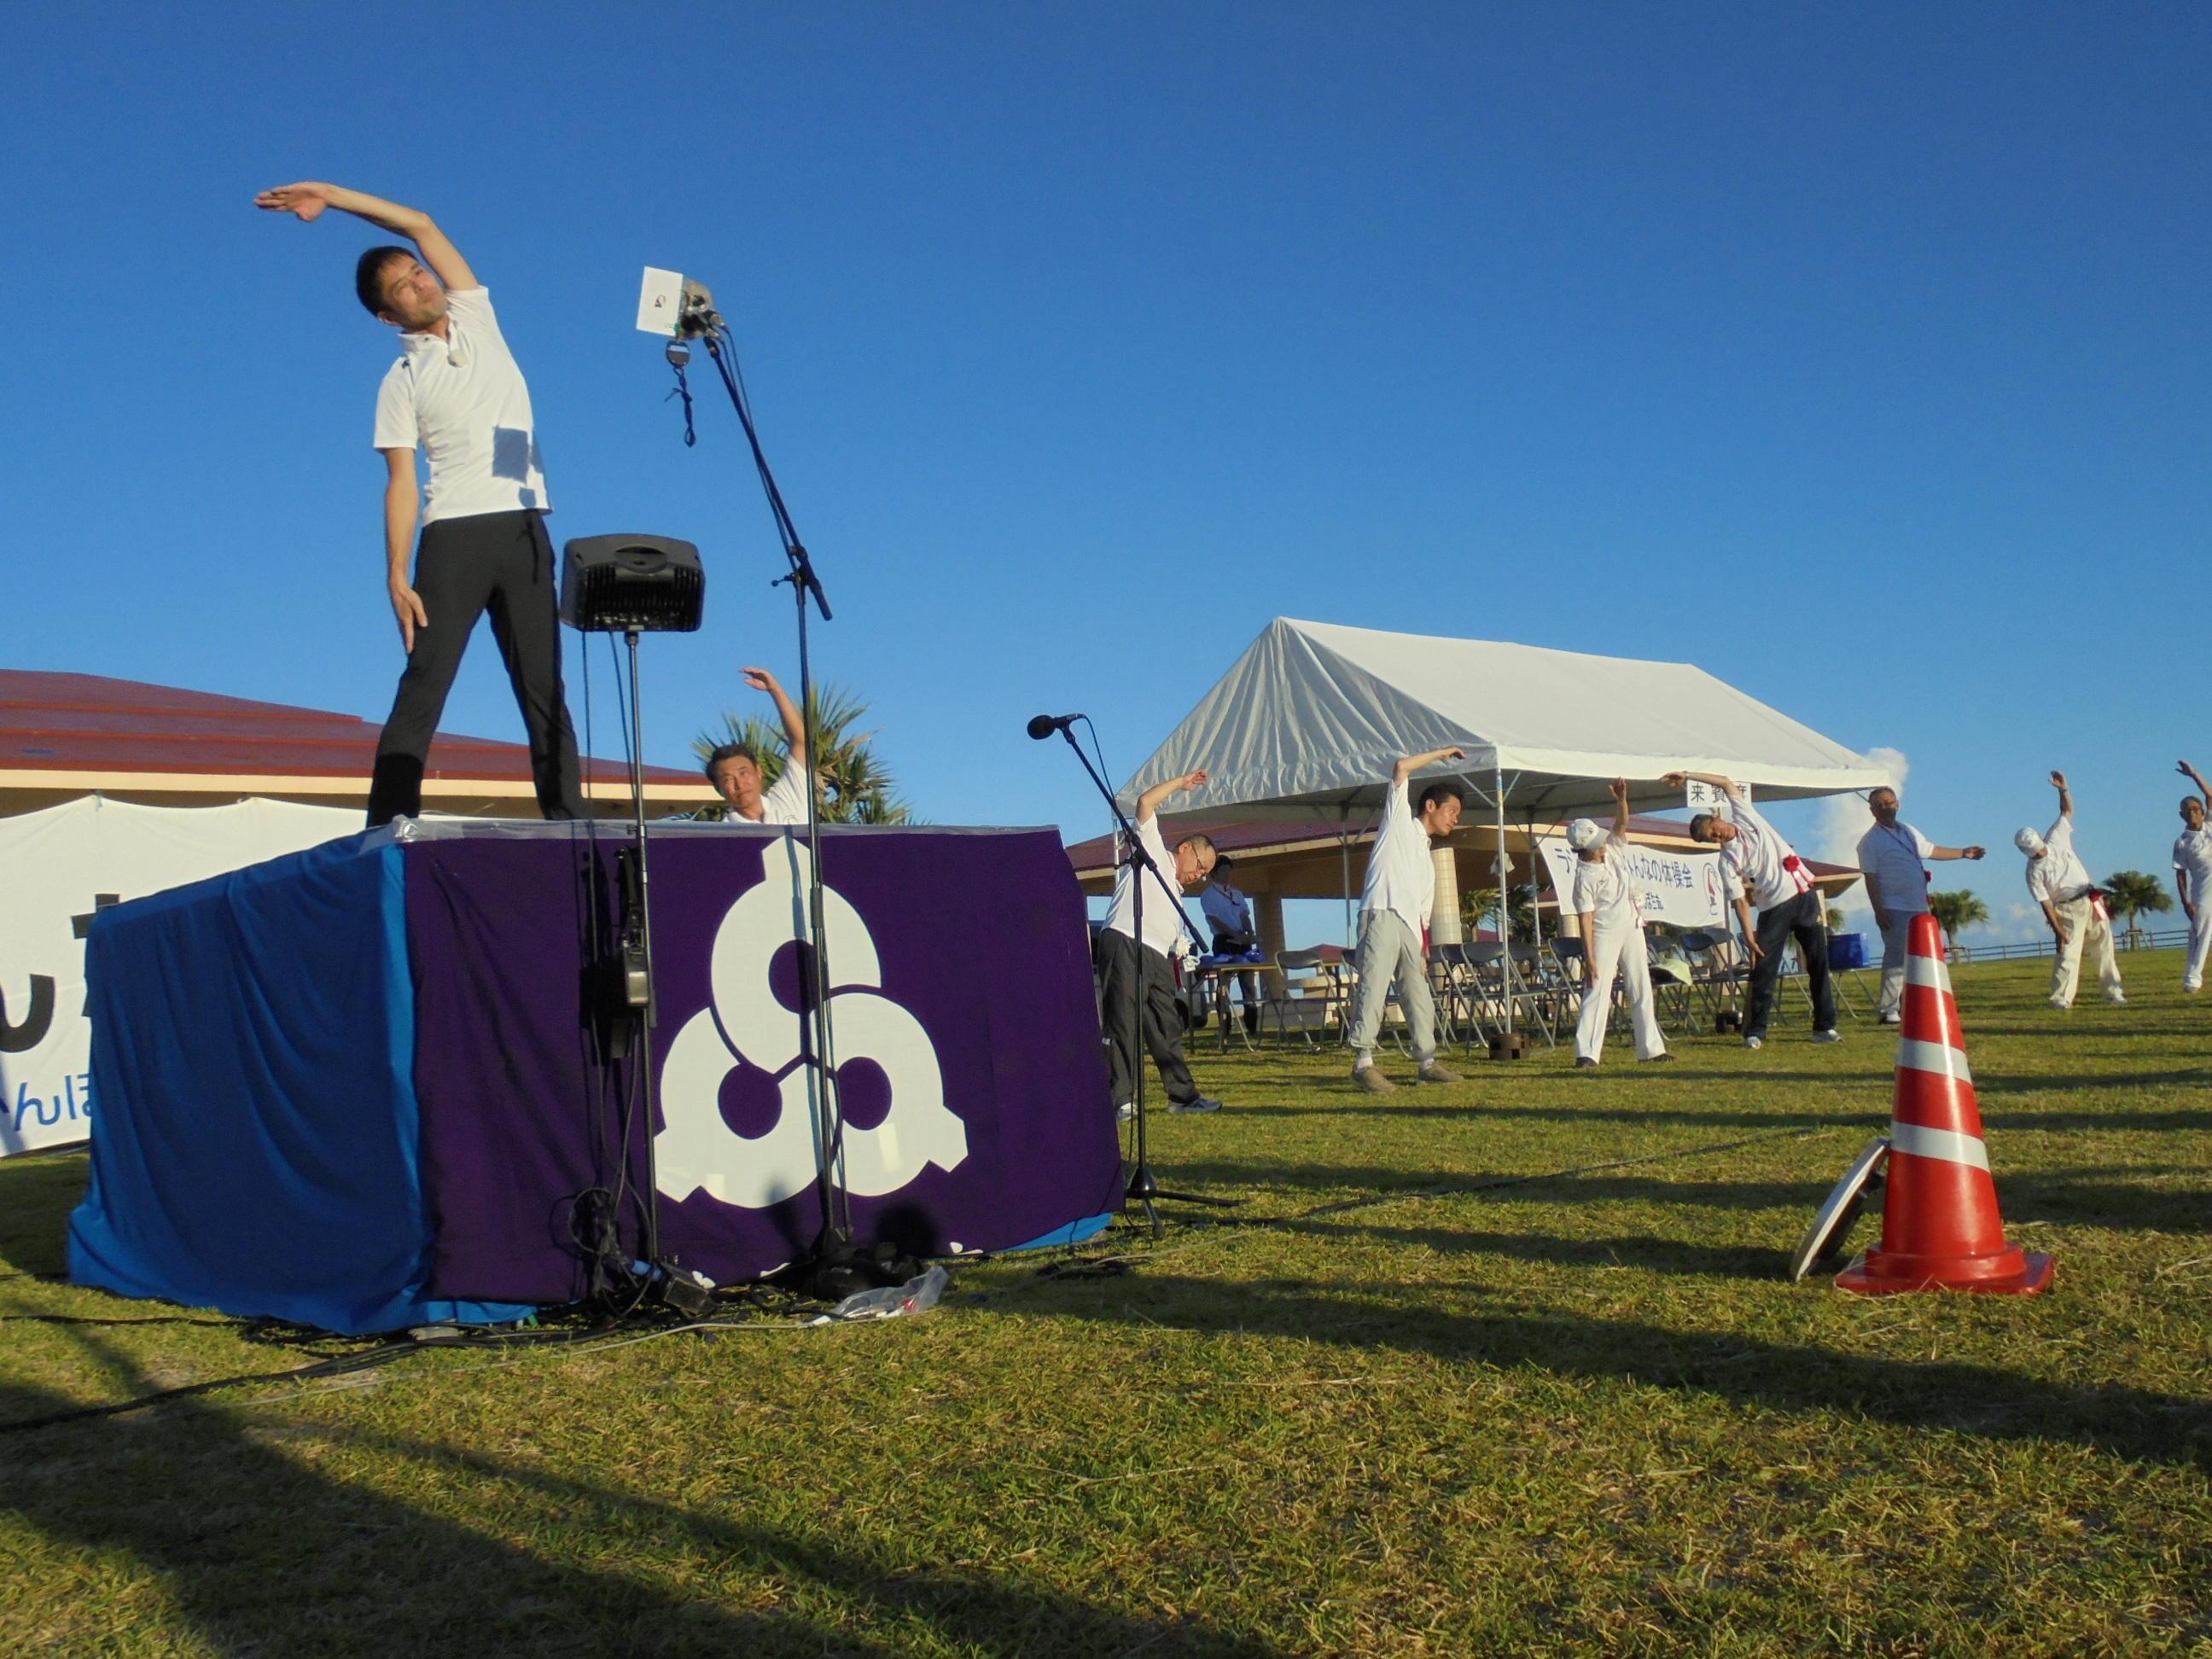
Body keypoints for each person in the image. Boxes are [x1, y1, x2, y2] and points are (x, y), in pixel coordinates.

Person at [259, 181, 585, 829]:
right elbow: (402, 483)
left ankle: (569, 827)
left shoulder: (478, 320)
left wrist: (328, 194)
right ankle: (386, 829)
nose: (421, 281)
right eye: (404, 286)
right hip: (453, 539)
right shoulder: (401, 380)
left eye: (417, 272)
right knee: (424, 685)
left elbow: (422, 223)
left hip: (523, 529)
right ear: (387, 316)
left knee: (545, 692)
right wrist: (396, 573)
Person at [1665, 771, 1839, 1050]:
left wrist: (1686, 776)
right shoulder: (1727, 862)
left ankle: (1825, 1026)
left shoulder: (1746, 816)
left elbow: (1724, 782)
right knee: (1764, 971)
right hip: (1774, 907)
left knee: (1819, 962)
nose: (1718, 835)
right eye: (1712, 838)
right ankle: (1755, 1030)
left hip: (1804, 894)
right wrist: (1748, 934)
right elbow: (1740, 901)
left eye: (1714, 829)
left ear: (1716, 818)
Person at [1096, 771, 1222, 1119]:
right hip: (1124, 939)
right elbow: (1145, 803)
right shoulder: (1153, 848)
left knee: (1166, 1025)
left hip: (1156, 956)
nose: (1201, 876)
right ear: (1185, 849)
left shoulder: (1177, 894)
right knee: (1123, 1022)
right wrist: (1181, 783)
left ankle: (1182, 1096)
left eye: (1206, 873)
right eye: (1201, 866)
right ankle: (1120, 1099)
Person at [1348, 748, 1468, 1093]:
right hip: (1382, 912)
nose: (1455, 819)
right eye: (1452, 810)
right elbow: (1401, 768)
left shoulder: (1427, 858)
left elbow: (1423, 912)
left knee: (1418, 994)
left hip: (1410, 928)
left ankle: (1426, 1062)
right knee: (1373, 986)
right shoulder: (1398, 821)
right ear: (1430, 806)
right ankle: (1363, 1063)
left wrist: (1423, 947)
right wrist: (1443, 753)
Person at [1855, 786, 1986, 1024]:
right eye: (1880, 805)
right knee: (1896, 958)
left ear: (1898, 804)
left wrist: (1963, 853)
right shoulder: (1869, 842)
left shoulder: (1909, 831)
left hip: (1918, 906)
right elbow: (1870, 878)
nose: (1886, 808)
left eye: (1889, 802)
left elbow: (1932, 850)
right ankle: (1888, 1009)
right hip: (1893, 907)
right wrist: (1879, 910)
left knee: (1922, 958)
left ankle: (1917, 1004)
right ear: (1872, 809)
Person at [1567, 780, 1673, 1069]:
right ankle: (1587, 1052)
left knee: (1640, 983)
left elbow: (1622, 824)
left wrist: (1622, 800)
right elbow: (1585, 919)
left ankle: (1651, 1049)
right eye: (1596, 843)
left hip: (1632, 924)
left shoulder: (1611, 848)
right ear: (1584, 849)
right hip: (1604, 931)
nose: (1602, 843)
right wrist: (1589, 958)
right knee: (1597, 986)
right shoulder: (1584, 878)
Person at [2016, 769, 2124, 1010]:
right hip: (2066, 908)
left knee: (2105, 946)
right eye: (2034, 851)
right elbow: (2045, 903)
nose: (2040, 852)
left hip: (2091, 898)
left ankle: (2113, 993)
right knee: (2068, 954)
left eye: (2039, 847)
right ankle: (2061, 998)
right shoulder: (2033, 872)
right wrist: (2058, 930)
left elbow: (2066, 812)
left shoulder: (2056, 838)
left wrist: (2063, 789)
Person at [704, 668, 814, 824]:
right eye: (728, 779)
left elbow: (801, 743)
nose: (739, 784)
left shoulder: (789, 798)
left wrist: (774, 689)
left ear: (758, 772)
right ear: (718, 789)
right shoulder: (724, 835)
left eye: (744, 773)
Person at [1198, 856, 1263, 1037]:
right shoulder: (1208, 896)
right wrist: (1235, 936)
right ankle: (1225, 1028)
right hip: (1224, 942)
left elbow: (1244, 915)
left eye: (1229, 871)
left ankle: (1252, 1027)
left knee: (1249, 984)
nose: (1227, 875)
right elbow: (1215, 920)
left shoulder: (1237, 893)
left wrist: (1249, 934)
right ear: (1214, 873)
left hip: (1242, 941)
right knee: (1224, 984)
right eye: (1223, 871)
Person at [2175, 760, 2212, 994]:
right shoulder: (2182, 842)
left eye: (2196, 809)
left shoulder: (2210, 826)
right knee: (2201, 935)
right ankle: (2192, 980)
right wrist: (2186, 901)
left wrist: (2194, 775)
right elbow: (2180, 874)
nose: (2193, 813)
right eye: (2188, 810)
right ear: (2182, 815)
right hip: (2203, 894)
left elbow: (2210, 795)